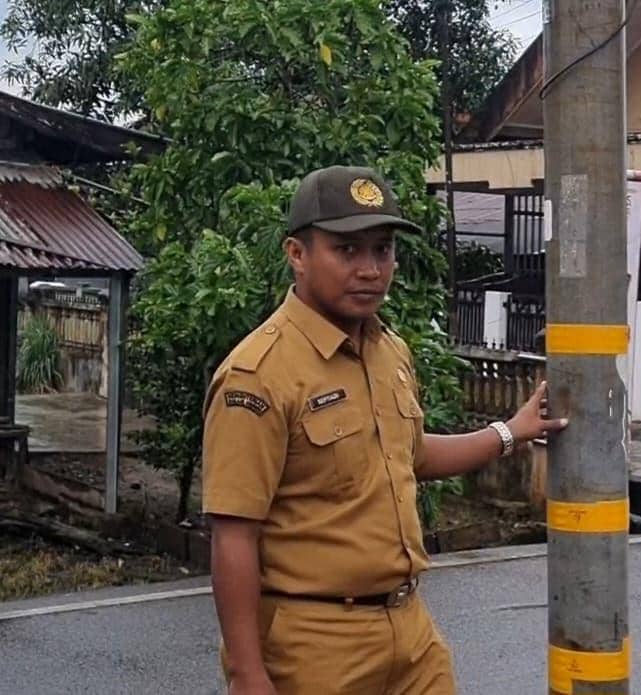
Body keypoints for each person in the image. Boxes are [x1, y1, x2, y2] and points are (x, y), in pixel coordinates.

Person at [201, 165, 568, 695]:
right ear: (297, 254)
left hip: (411, 633)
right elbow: (234, 533)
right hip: (315, 644)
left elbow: (410, 454)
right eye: (347, 250)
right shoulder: (258, 375)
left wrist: (510, 431)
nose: (370, 269)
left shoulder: (388, 351)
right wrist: (247, 675)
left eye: (382, 249)